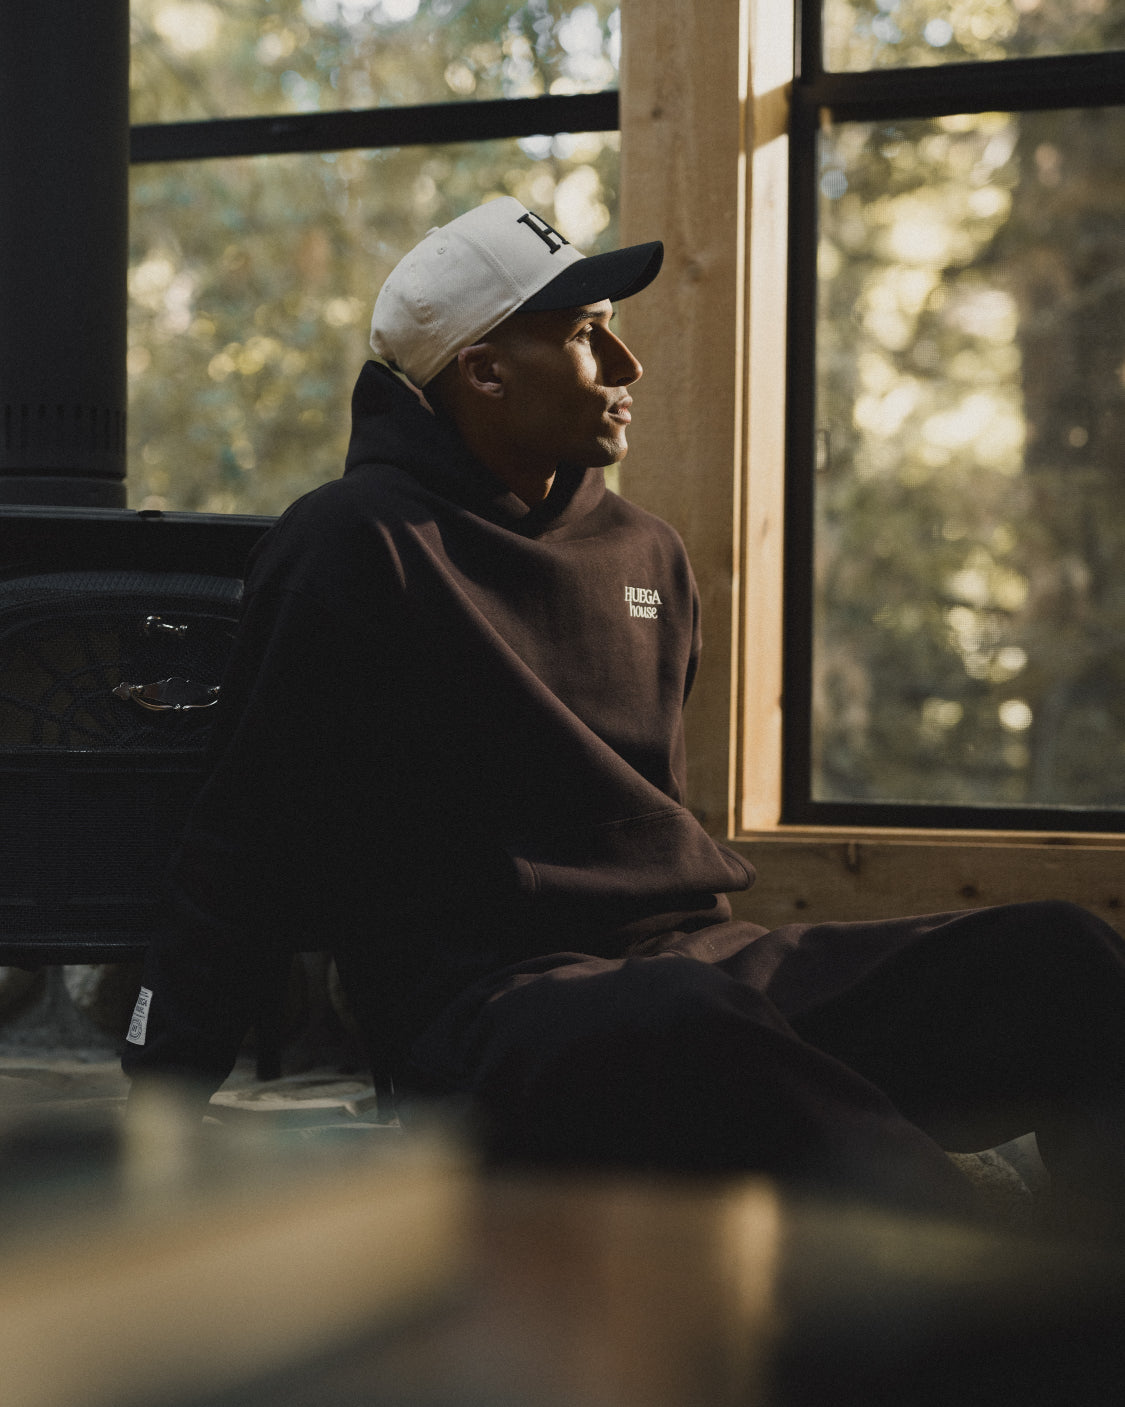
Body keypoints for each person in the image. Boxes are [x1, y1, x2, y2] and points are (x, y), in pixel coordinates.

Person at [124, 197, 1125, 1227]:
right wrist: (159, 1094)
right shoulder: (354, 543)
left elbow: (652, 837)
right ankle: (993, 1288)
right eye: (585, 335)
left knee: (1058, 956)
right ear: (484, 370)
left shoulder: (649, 554)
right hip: (490, 1020)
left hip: (698, 970)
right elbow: (239, 837)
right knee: (678, 1017)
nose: (628, 366)